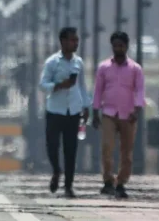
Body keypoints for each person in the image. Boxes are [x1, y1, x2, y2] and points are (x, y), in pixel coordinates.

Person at [91, 31, 145, 198]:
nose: (118, 49)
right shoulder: (104, 67)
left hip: (128, 115)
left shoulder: (135, 69)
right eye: (115, 46)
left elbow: (140, 90)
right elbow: (98, 90)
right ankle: (108, 181)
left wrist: (137, 110)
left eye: (121, 46)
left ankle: (121, 183)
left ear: (126, 46)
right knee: (107, 147)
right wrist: (95, 111)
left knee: (126, 152)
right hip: (108, 113)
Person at [38, 26, 89, 198]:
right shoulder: (52, 62)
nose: (75, 43)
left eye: (77, 40)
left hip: (73, 111)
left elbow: (82, 86)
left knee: (71, 149)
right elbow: (42, 84)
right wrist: (58, 85)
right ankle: (56, 170)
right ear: (63, 41)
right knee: (52, 145)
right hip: (55, 110)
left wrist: (86, 106)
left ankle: (68, 186)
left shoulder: (78, 62)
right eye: (72, 40)